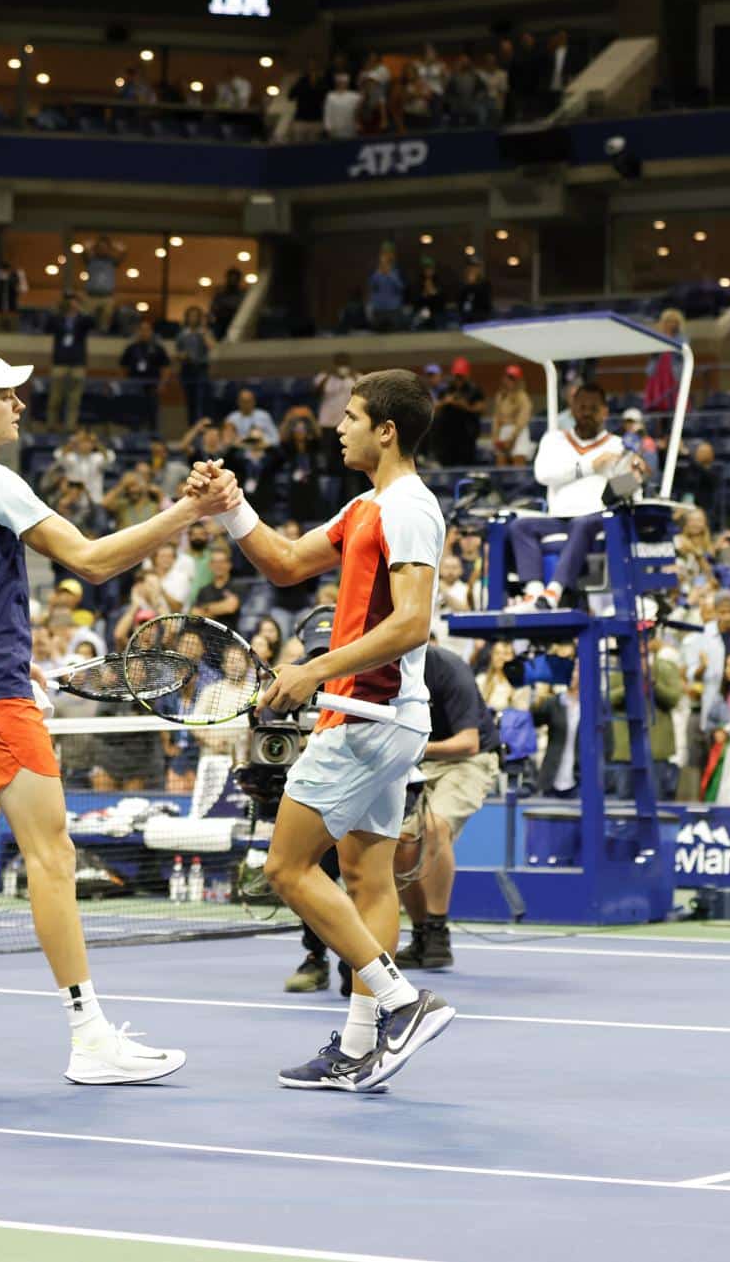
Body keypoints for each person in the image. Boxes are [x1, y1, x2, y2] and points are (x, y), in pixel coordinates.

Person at [0, 348, 238, 1085]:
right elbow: (89, 561)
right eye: (6, 394)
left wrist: (12, 654)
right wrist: (191, 510)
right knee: (54, 854)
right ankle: (90, 1037)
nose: (20, 404)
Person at [205, 367, 453, 1092]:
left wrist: (316, 669)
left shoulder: (408, 507)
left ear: (387, 431)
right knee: (364, 873)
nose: (337, 426)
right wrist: (232, 506)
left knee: (285, 867)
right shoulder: (363, 508)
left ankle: (403, 1001)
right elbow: (282, 563)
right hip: (387, 719)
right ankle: (356, 1042)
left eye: (351, 416)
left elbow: (413, 622)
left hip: (366, 717)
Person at [390, 645, 499, 972]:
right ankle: (422, 934)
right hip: (415, 762)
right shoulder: (381, 673)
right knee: (398, 843)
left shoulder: (449, 669)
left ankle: (438, 931)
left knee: (436, 827)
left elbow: (469, 742)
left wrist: (414, 749)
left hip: (466, 761)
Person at [509, 382, 644, 610]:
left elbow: (633, 491)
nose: (586, 413)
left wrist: (634, 477)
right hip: (560, 519)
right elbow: (544, 474)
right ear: (572, 409)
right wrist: (590, 466)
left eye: (593, 408)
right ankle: (533, 592)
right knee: (520, 527)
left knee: (582, 524)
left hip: (599, 519)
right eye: (582, 407)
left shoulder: (617, 445)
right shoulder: (554, 439)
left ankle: (554, 592)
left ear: (604, 412)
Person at [45, 294, 92, 428]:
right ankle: (51, 425)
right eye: (70, 304)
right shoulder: (58, 319)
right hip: (59, 362)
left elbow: (92, 322)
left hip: (78, 363)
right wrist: (57, 308)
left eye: (75, 303)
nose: (72, 306)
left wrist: (82, 308)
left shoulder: (82, 320)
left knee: (74, 399)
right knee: (55, 397)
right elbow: (47, 327)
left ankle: (70, 426)